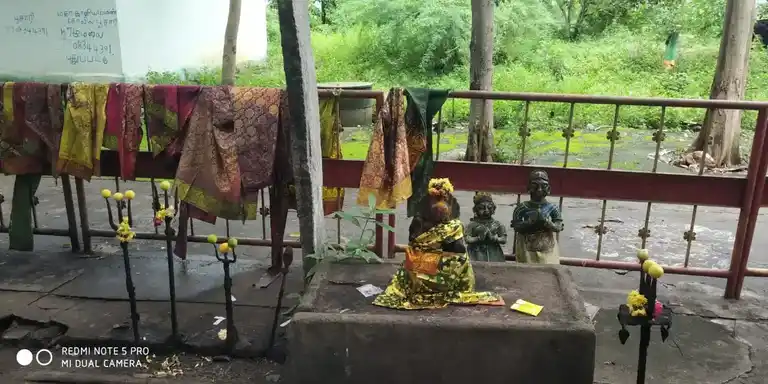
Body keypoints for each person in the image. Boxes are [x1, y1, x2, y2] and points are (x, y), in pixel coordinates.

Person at [373, 178, 503, 310]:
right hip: (439, 276)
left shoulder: (418, 220)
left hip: (416, 272)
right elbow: (459, 250)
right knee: (462, 259)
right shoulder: (453, 226)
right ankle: (454, 288)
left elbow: (412, 242)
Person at [511, 170, 563, 264]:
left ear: (548, 189)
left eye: (543, 186)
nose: (539, 190)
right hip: (527, 247)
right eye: (535, 186)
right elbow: (516, 226)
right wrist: (529, 223)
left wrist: (548, 223)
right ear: (528, 187)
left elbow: (558, 226)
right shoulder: (522, 208)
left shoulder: (552, 208)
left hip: (547, 246)